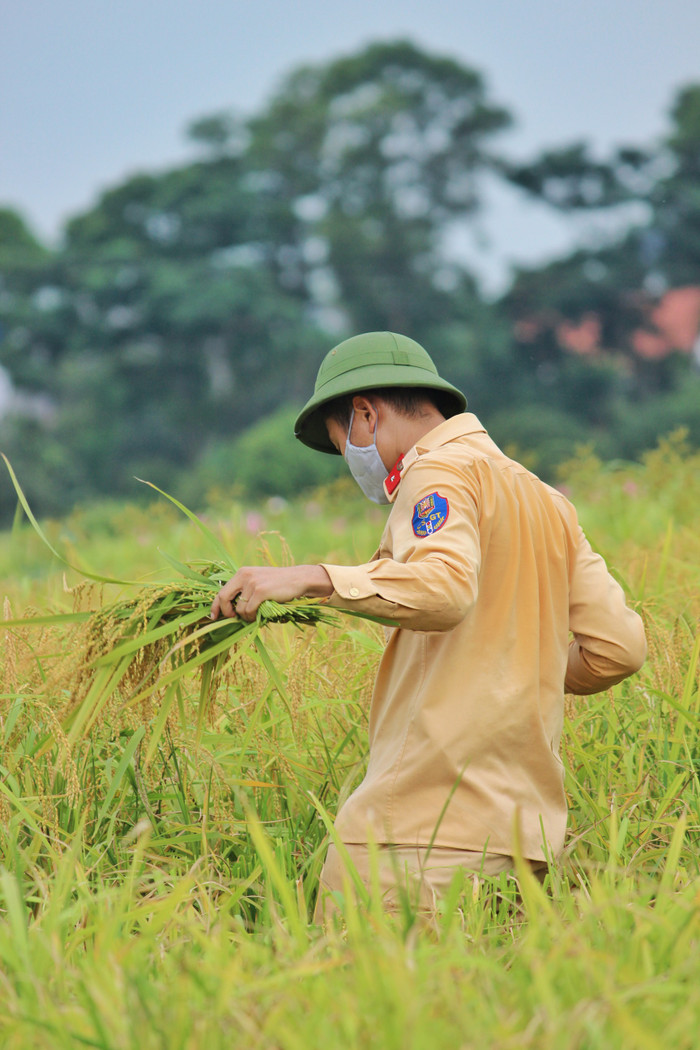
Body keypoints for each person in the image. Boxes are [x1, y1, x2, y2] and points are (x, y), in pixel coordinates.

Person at [210, 331, 647, 919]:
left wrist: (314, 578)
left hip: (416, 833)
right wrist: (515, 665)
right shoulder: (545, 497)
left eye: (343, 442)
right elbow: (618, 648)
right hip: (523, 836)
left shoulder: (435, 474)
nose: (350, 460)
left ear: (366, 413)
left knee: (351, 1002)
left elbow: (442, 590)